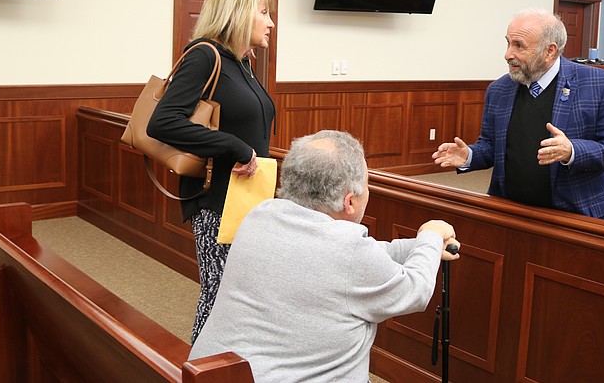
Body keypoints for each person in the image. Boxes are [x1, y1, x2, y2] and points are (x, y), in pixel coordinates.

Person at [189, 130, 460, 382]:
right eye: (367, 186)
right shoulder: (348, 251)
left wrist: (423, 248)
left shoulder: (261, 215)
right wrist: (431, 235)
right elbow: (415, 290)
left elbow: (354, 258)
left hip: (220, 373)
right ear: (350, 201)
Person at [146, 0, 276, 343]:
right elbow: (163, 122)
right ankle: (201, 368)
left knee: (241, 298)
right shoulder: (205, 55)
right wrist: (232, 145)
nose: (271, 23)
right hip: (217, 201)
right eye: (263, 13)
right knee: (220, 298)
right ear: (237, 13)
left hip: (248, 200)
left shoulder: (243, 63)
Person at [432, 8, 604, 220]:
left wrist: (572, 151)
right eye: (508, 43)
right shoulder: (499, 89)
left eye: (519, 46)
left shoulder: (599, 84)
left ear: (550, 51)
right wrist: (469, 156)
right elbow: (491, 146)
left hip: (577, 217)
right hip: (511, 213)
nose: (508, 54)